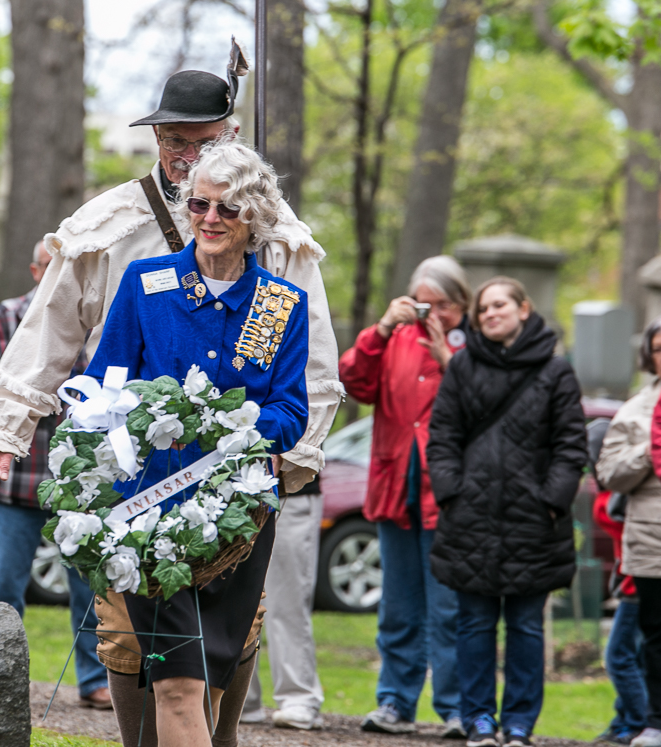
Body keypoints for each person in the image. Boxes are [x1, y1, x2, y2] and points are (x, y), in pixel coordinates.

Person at [0, 64, 342, 747]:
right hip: (136, 479)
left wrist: (288, 452)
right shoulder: (114, 231)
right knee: (129, 645)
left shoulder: (279, 245)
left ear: (229, 135)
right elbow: (50, 330)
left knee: (229, 646)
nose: (183, 157)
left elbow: (310, 365)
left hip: (237, 487)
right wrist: (6, 427)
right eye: (171, 139)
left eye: (198, 141)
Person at [82, 139, 309, 747]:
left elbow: (292, 411)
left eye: (227, 210)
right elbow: (106, 383)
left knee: (204, 680)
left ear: (253, 219)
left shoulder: (282, 305)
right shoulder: (143, 283)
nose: (210, 220)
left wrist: (235, 426)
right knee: (178, 684)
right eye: (200, 205)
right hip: (149, 515)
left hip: (239, 519)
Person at [426, 277, 588, 747]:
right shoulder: (462, 368)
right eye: (483, 308)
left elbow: (570, 445)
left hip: (535, 521)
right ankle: (478, 719)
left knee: (524, 626)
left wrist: (553, 501)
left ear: (523, 308)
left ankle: (518, 724)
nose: (490, 313)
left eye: (499, 305)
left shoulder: (557, 372)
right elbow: (443, 439)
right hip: (471, 518)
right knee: (474, 624)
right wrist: (452, 493)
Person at [0, 241, 110, 709]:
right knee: (3, 589)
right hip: (16, 484)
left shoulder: (95, 319)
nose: (59, 275)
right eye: (50, 267)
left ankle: (95, 682)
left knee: (89, 591)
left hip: (77, 487)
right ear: (34, 270)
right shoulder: (1, 320)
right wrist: (29, 396)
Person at [338, 255, 470, 737]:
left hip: (450, 496)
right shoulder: (396, 339)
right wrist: (381, 328)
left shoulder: (472, 344)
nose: (429, 314)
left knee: (450, 609)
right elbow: (353, 380)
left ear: (460, 305)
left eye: (441, 306)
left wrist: (447, 359)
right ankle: (395, 701)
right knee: (398, 606)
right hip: (397, 487)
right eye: (421, 304)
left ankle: (458, 707)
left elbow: (484, 402)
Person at [599, 317, 661, 747]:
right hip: (651, 543)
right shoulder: (636, 409)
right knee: (654, 639)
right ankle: (653, 721)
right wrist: (649, 449)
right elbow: (609, 472)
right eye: (659, 347)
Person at [240, 478, 325, 730]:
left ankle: (298, 697)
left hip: (293, 490)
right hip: (237, 491)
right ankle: (240, 696)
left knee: (288, 602)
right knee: (237, 600)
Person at [593, 488, 648, 746]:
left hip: (636, 587)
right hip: (632, 583)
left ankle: (639, 722)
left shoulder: (625, 498)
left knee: (619, 657)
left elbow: (608, 514)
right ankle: (624, 720)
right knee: (636, 658)